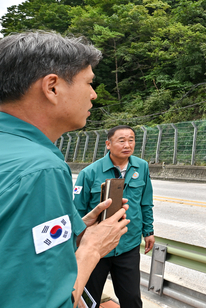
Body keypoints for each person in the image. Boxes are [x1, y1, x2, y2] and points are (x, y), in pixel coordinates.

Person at [0, 31, 130, 308]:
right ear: (52, 87)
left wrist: (74, 228)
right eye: (89, 83)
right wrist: (91, 250)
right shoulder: (39, 170)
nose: (93, 95)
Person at [73, 125, 154, 307]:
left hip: (128, 245)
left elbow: (146, 202)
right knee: (89, 300)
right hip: (97, 248)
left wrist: (148, 231)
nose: (127, 144)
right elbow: (77, 211)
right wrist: (77, 243)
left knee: (132, 298)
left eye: (131, 140)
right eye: (122, 140)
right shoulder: (89, 173)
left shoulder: (142, 167)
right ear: (108, 144)